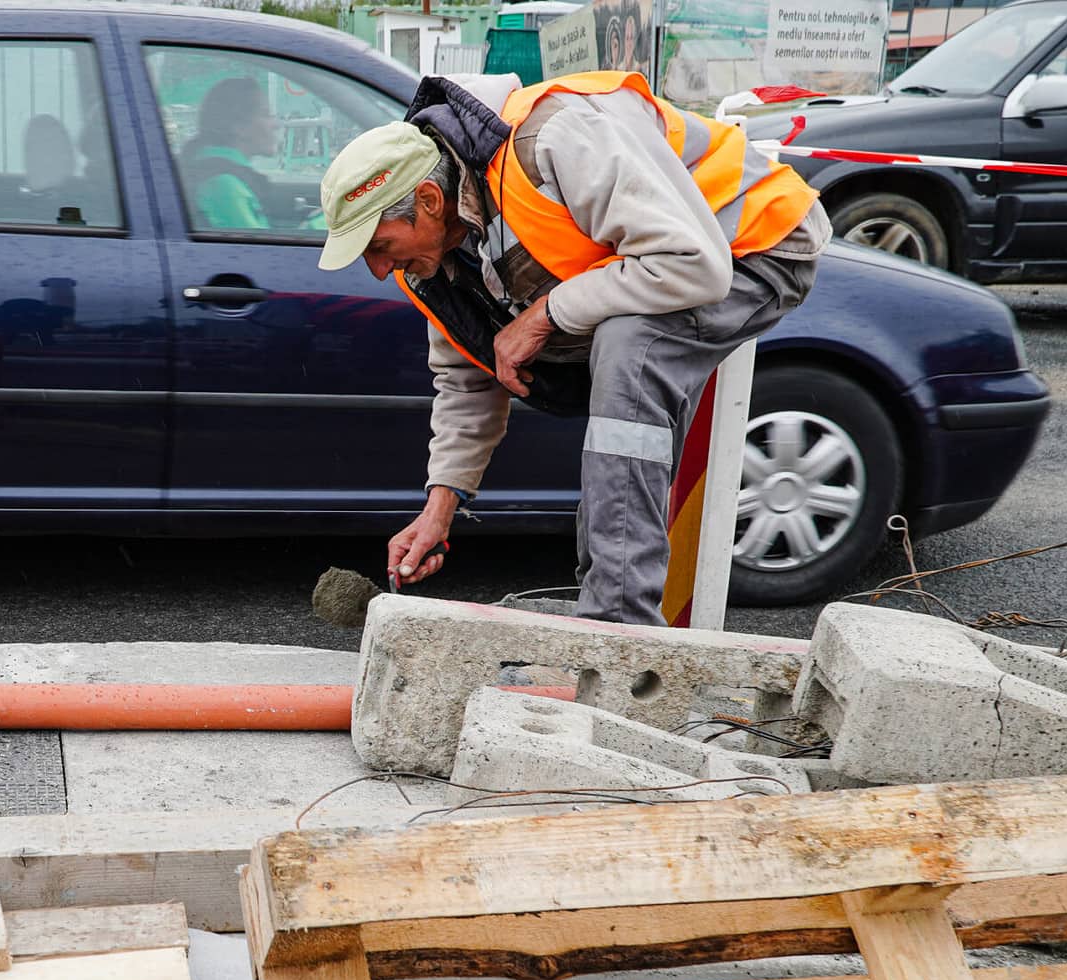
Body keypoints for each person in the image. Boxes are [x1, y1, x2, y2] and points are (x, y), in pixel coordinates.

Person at [314, 71, 830, 625]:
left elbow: (694, 266)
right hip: (670, 266)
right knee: (617, 376)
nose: (377, 269)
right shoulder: (432, 263)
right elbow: (468, 379)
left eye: (380, 245)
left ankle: (618, 624)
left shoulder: (554, 140)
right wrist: (439, 509)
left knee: (632, 344)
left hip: (755, 242)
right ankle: (603, 602)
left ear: (430, 198)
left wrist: (545, 314)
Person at [181, 77, 284, 230]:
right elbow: (259, 248)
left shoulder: (221, 174)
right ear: (239, 127)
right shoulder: (224, 185)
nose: (276, 125)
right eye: (266, 114)